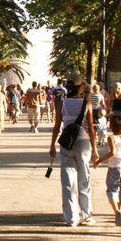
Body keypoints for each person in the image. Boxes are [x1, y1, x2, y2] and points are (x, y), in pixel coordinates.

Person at [48, 73, 98, 227]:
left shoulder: (61, 104)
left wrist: (52, 145)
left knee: (68, 181)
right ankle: (86, 215)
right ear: (81, 87)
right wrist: (95, 149)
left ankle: (71, 218)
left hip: (67, 144)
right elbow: (90, 128)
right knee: (84, 179)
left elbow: (57, 126)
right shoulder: (86, 104)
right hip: (83, 143)